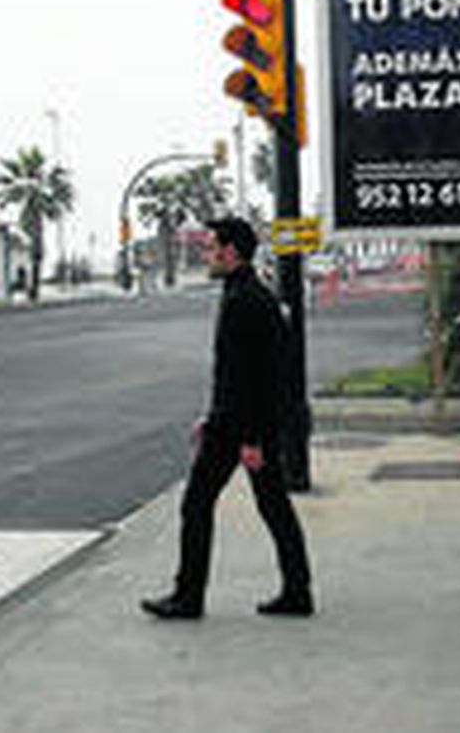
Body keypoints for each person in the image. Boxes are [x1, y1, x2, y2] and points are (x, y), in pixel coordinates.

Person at [142, 217, 315, 620]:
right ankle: (297, 591)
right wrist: (213, 417)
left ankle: (188, 598)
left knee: (197, 505)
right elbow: (237, 373)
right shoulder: (246, 293)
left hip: (242, 426)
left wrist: (250, 438)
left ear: (231, 251)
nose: (206, 254)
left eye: (210, 247)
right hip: (239, 422)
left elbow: (256, 375)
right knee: (273, 506)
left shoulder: (246, 300)